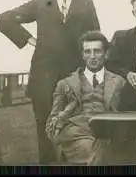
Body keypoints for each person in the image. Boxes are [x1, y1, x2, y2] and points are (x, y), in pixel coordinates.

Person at [0, 0, 100, 164]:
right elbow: (4, 19)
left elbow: (95, 36)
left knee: (77, 127)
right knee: (45, 130)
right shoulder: (40, 3)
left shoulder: (86, 3)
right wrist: (29, 39)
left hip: (74, 77)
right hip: (43, 78)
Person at [45, 31, 126, 165]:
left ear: (106, 54)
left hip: (107, 133)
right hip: (76, 136)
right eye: (87, 52)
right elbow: (51, 124)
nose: (92, 56)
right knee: (93, 150)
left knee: (100, 149)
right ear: (82, 55)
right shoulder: (64, 84)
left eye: (97, 51)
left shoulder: (119, 82)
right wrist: (58, 138)